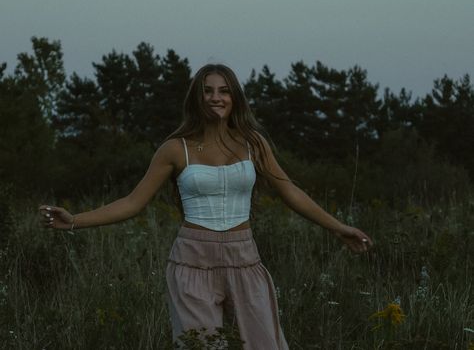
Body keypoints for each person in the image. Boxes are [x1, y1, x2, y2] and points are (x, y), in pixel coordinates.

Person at [39, 63, 373, 349]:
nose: (216, 97)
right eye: (208, 91)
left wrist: (338, 227)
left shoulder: (253, 144)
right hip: (191, 263)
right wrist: (74, 221)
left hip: (244, 260)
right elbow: (133, 202)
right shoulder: (175, 149)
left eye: (224, 91)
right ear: (197, 99)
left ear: (234, 98)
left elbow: (290, 191)